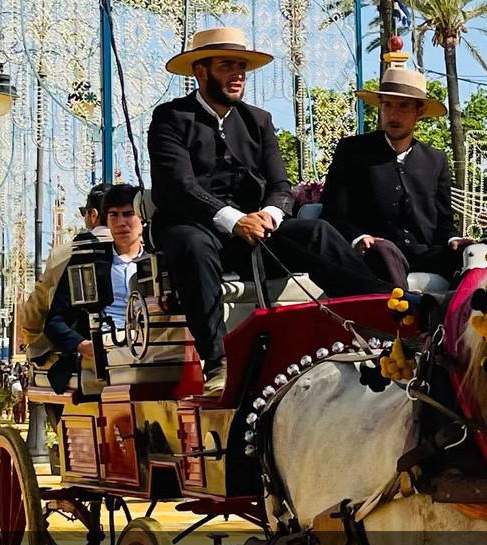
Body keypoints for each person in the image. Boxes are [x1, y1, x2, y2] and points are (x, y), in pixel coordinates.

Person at [148, 27, 390, 396]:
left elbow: (281, 186)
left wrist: (271, 215)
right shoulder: (171, 118)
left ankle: (383, 322)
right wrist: (233, 219)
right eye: (227, 65)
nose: (238, 74)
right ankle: (217, 361)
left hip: (258, 230)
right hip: (197, 225)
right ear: (201, 72)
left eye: (241, 66)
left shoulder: (257, 120)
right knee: (191, 245)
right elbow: (181, 187)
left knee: (318, 233)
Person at [320, 44, 472, 288]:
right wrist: (359, 238)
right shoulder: (353, 151)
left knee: (477, 258)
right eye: (387, 105)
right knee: (384, 254)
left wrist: (455, 239)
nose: (393, 114)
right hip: (374, 255)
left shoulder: (435, 160)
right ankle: (399, 318)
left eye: (403, 106)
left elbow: (444, 223)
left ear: (419, 112)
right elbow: (333, 213)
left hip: (425, 254)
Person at [44, 183, 144, 361]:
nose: (121, 222)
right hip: (104, 353)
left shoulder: (159, 262)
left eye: (128, 214)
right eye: (114, 215)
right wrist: (82, 345)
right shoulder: (89, 262)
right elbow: (55, 321)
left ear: (142, 218)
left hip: (153, 350)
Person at [21, 183, 112, 361]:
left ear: (92, 215)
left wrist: (33, 336)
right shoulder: (140, 251)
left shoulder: (66, 253)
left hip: (78, 352)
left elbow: (38, 306)